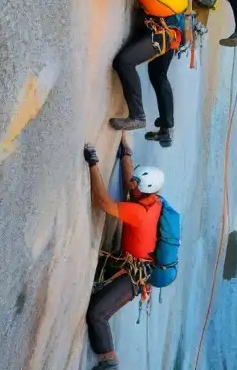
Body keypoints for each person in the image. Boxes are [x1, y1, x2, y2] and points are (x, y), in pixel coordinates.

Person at [90, 0, 188, 146]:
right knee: (158, 73)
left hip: (165, 31)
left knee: (124, 62)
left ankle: (138, 116)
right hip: (177, 24)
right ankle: (166, 128)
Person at [83, 135, 164, 370]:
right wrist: (126, 153)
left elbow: (103, 202)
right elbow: (132, 184)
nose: (132, 184)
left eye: (136, 183)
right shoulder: (154, 201)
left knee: (97, 314)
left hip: (134, 277)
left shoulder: (140, 213)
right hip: (133, 266)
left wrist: (93, 164)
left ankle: (108, 361)